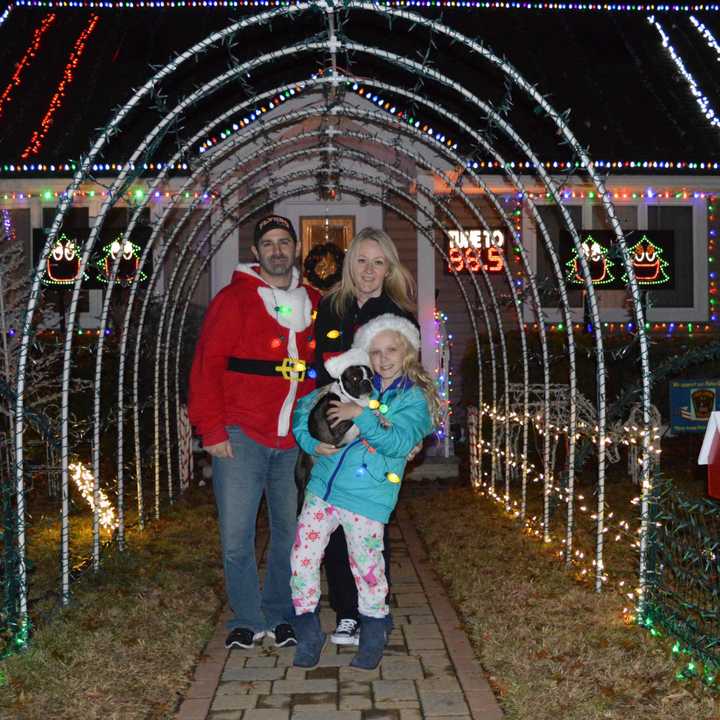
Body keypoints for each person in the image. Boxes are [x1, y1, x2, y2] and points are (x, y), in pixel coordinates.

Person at [188, 214, 320, 650]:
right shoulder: (233, 300)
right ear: (256, 252)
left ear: (295, 248)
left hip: (292, 442)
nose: (277, 250)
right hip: (241, 435)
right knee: (236, 537)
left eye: (284, 242)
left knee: (289, 534)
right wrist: (211, 430)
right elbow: (206, 367)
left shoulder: (314, 302)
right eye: (268, 243)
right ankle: (246, 617)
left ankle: (280, 613)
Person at [289, 314, 442, 669]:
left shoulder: (413, 399)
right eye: (375, 351)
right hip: (323, 489)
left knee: (368, 568)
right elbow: (303, 408)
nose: (383, 358)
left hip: (368, 498)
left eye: (392, 349)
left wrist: (361, 414)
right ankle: (308, 630)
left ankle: (373, 631)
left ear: (408, 351)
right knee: (302, 559)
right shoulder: (353, 380)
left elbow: (399, 442)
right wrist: (310, 441)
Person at [312, 227, 417, 646]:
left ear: (388, 266)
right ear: (349, 263)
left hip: (378, 430)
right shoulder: (331, 307)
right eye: (361, 260)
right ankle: (346, 612)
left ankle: (374, 610)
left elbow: (410, 382)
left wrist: (407, 435)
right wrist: (315, 433)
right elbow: (321, 373)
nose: (369, 270)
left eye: (378, 262)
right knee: (335, 526)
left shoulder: (398, 315)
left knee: (370, 526)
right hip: (337, 428)